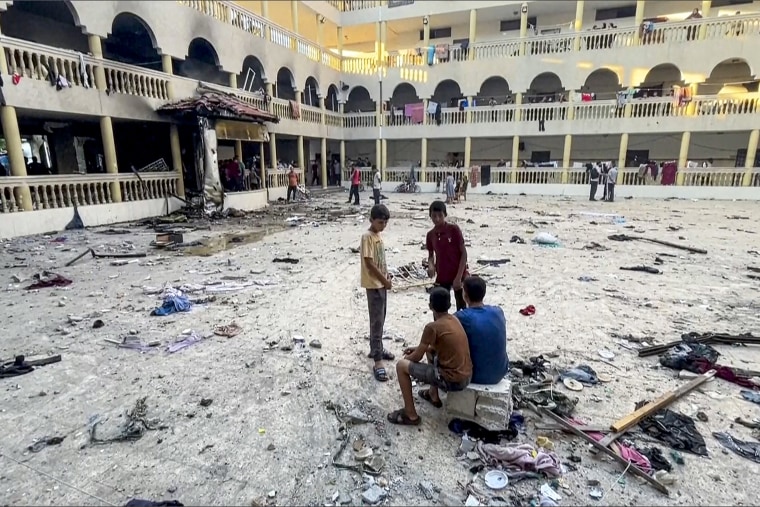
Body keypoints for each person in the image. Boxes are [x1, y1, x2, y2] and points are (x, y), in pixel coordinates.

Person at [387, 287, 472, 425]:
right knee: (429, 351)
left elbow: (416, 358)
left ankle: (410, 414)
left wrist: (406, 360)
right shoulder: (454, 319)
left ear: (430, 306)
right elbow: (436, 347)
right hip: (467, 376)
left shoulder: (432, 327)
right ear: (449, 305)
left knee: (401, 366)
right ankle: (433, 395)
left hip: (451, 380)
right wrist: (419, 348)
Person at [361, 204, 394, 382]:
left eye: (385, 223)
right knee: (376, 321)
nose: (383, 226)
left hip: (381, 283)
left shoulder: (378, 236)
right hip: (374, 285)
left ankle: (378, 348)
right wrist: (383, 280)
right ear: (372, 220)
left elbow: (381, 261)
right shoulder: (367, 237)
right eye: (380, 222)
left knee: (382, 318)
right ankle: (377, 360)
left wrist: (387, 275)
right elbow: (370, 263)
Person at [454, 276, 508, 385]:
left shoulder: (461, 317)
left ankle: (433, 392)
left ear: (465, 295)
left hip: (477, 375)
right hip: (501, 372)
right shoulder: (498, 311)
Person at [426, 200, 468, 311]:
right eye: (434, 216)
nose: (437, 219)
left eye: (440, 215)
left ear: (445, 215)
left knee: (462, 307)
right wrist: (431, 265)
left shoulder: (453, 230)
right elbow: (431, 255)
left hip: (458, 272)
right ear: (430, 216)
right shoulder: (430, 235)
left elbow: (463, 253)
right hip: (442, 275)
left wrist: (459, 277)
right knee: (438, 307)